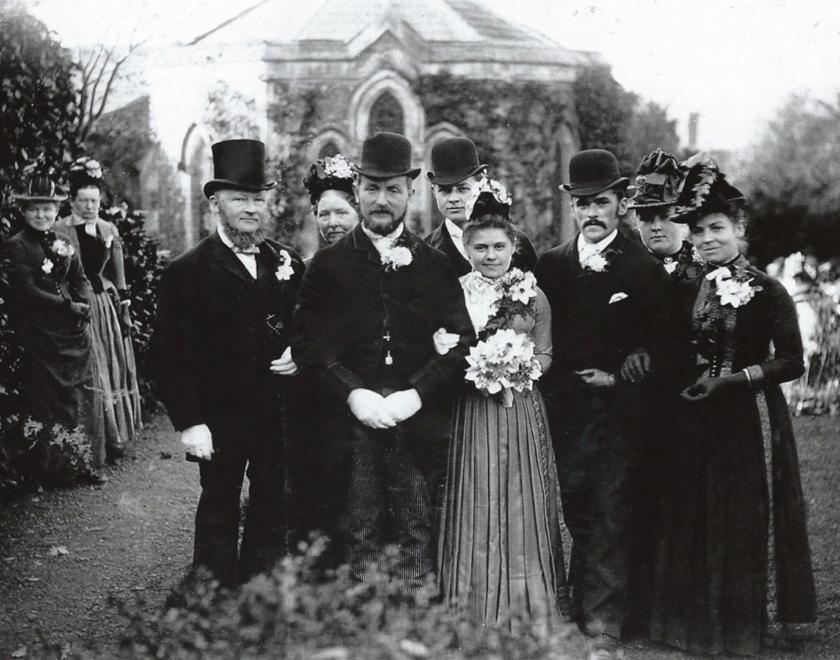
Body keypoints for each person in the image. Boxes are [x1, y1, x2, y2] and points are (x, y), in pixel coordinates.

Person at [650, 156, 816, 655]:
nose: (705, 239)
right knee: (697, 510)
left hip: (750, 414)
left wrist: (735, 379)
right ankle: (699, 623)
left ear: (739, 229)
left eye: (716, 228)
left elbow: (792, 362)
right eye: (698, 231)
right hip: (698, 414)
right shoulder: (686, 286)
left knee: (746, 510)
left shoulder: (768, 290)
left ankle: (748, 626)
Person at [290, 132, 473, 584]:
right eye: (372, 188)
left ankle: (412, 616)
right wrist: (353, 393)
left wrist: (417, 392)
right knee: (360, 520)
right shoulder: (327, 267)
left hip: (417, 420)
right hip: (350, 424)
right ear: (357, 192)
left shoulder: (434, 265)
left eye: (393, 189)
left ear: (410, 193)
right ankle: (365, 621)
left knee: (415, 521)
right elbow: (309, 346)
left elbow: (463, 341)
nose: (381, 200)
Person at [535, 149, 681, 660]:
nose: (591, 213)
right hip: (566, 411)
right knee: (577, 507)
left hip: (621, 412)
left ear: (621, 204)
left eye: (601, 202)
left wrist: (623, 372)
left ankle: (604, 622)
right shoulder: (552, 264)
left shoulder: (643, 269)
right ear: (571, 207)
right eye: (582, 204)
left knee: (612, 506)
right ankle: (584, 605)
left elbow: (671, 344)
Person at [150, 139, 305, 587]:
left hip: (275, 414)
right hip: (220, 418)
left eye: (258, 198)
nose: (251, 209)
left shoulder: (286, 262)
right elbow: (168, 354)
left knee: (272, 502)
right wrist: (190, 422)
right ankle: (212, 601)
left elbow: (306, 326)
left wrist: (300, 353)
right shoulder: (188, 270)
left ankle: (259, 595)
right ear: (216, 203)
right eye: (240, 199)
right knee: (218, 502)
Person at [436, 186, 566, 628]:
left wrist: (518, 369)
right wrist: (480, 370)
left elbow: (546, 353)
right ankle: (472, 602)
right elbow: (445, 347)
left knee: (519, 495)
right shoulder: (454, 293)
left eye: (499, 246)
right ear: (467, 249)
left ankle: (525, 599)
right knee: (475, 491)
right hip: (471, 408)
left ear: (513, 247)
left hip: (520, 407)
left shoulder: (534, 294)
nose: (490, 255)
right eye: (480, 247)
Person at [3, 163, 100, 464]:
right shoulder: (16, 245)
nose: (42, 215)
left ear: (57, 211)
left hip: (72, 332)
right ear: (23, 211)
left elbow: (79, 277)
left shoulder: (64, 242)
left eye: (47, 209)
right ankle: (53, 467)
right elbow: (27, 290)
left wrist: (84, 302)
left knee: (77, 398)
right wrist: (67, 306)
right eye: (35, 210)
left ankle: (79, 461)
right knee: (49, 402)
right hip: (41, 334)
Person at [59, 156, 142, 461]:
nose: (91, 207)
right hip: (77, 305)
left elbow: (119, 274)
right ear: (72, 201)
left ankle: (113, 437)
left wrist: (124, 306)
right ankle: (91, 441)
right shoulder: (59, 230)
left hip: (103, 305)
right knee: (91, 368)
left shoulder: (108, 229)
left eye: (94, 201)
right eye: (84, 201)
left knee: (111, 366)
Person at [425, 137, 537, 275]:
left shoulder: (518, 242)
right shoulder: (427, 251)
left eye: (462, 189)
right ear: (434, 192)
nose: (453, 199)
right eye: (445, 190)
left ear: (479, 186)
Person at [629, 149, 703, 282]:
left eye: (664, 217)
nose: (656, 227)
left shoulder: (704, 269)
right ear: (635, 223)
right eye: (646, 219)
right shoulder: (628, 270)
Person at [303, 153, 359, 250]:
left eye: (341, 213)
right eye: (324, 215)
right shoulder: (309, 265)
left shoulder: (384, 262)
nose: (332, 223)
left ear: (358, 212)